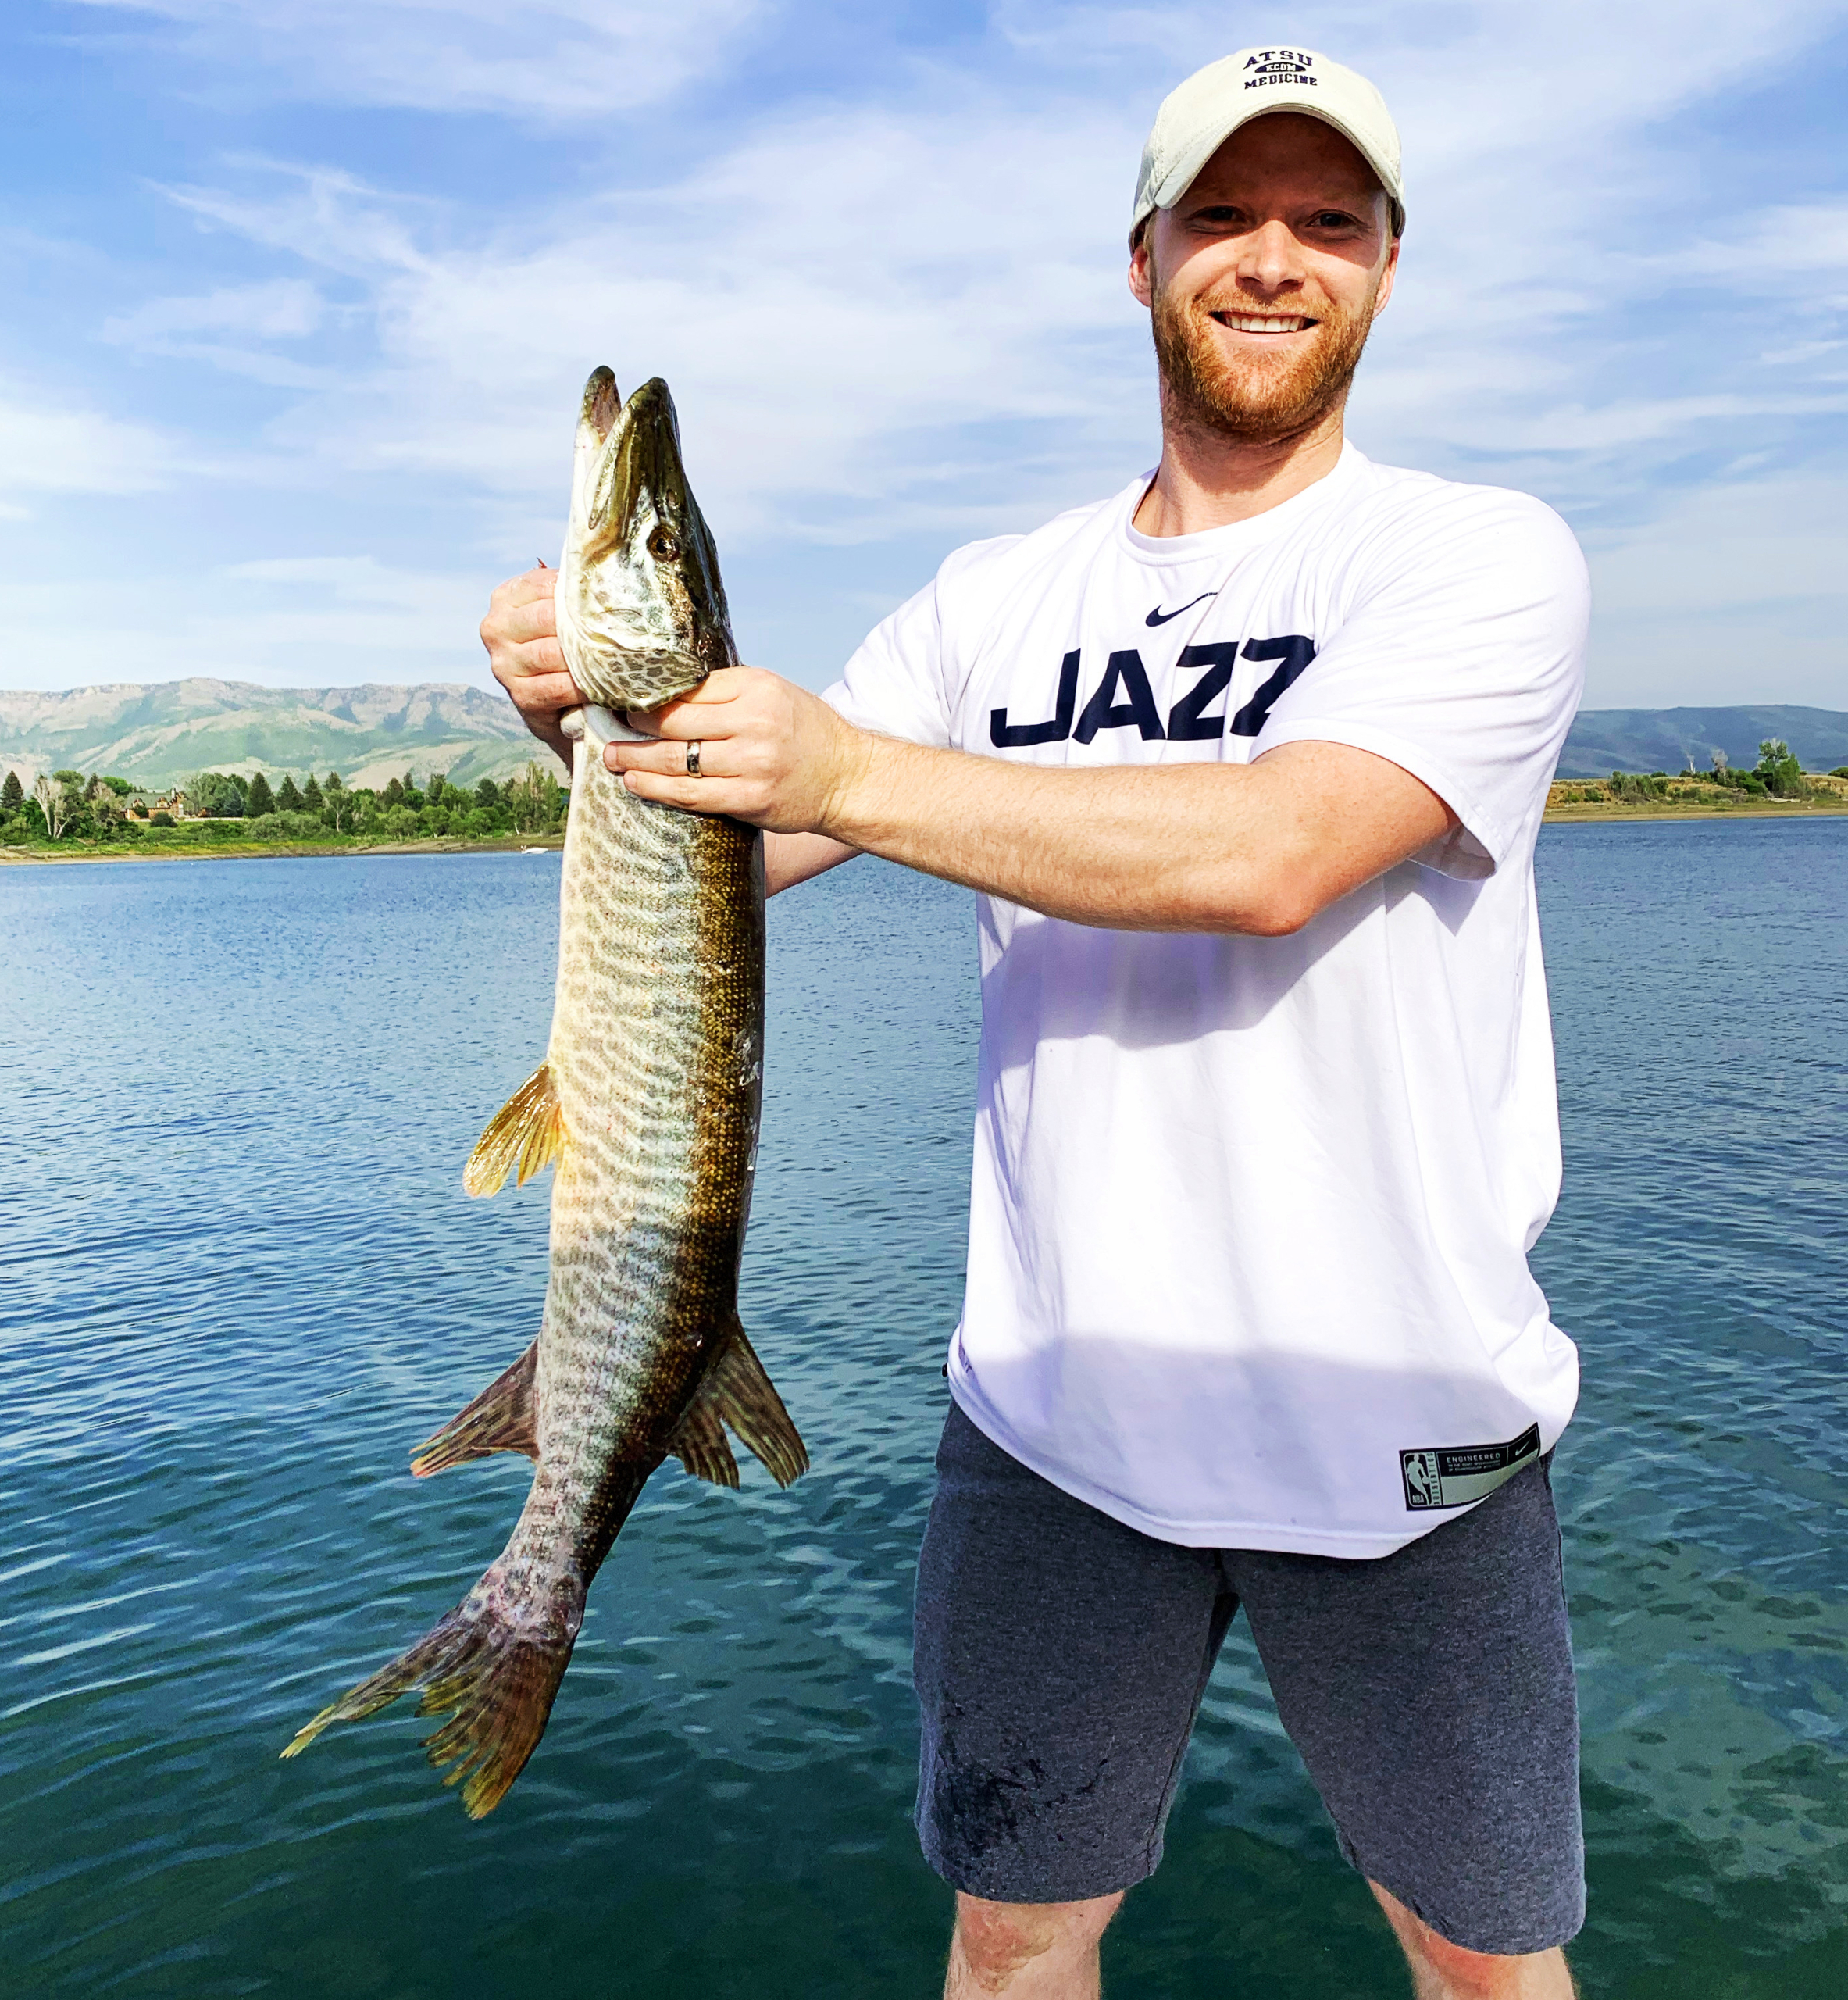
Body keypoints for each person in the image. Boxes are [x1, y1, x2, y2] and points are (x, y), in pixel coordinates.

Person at [483, 42, 1588, 2000]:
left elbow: (1275, 848)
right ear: (1142, 253)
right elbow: (730, 862)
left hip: (1402, 1424)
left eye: (1324, 220)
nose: (1271, 257)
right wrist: (600, 729)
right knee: (1005, 1948)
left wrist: (837, 762)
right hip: (1053, 1430)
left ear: (1387, 267)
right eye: (1222, 216)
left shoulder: (1474, 557)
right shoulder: (994, 598)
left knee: (1486, 1962)